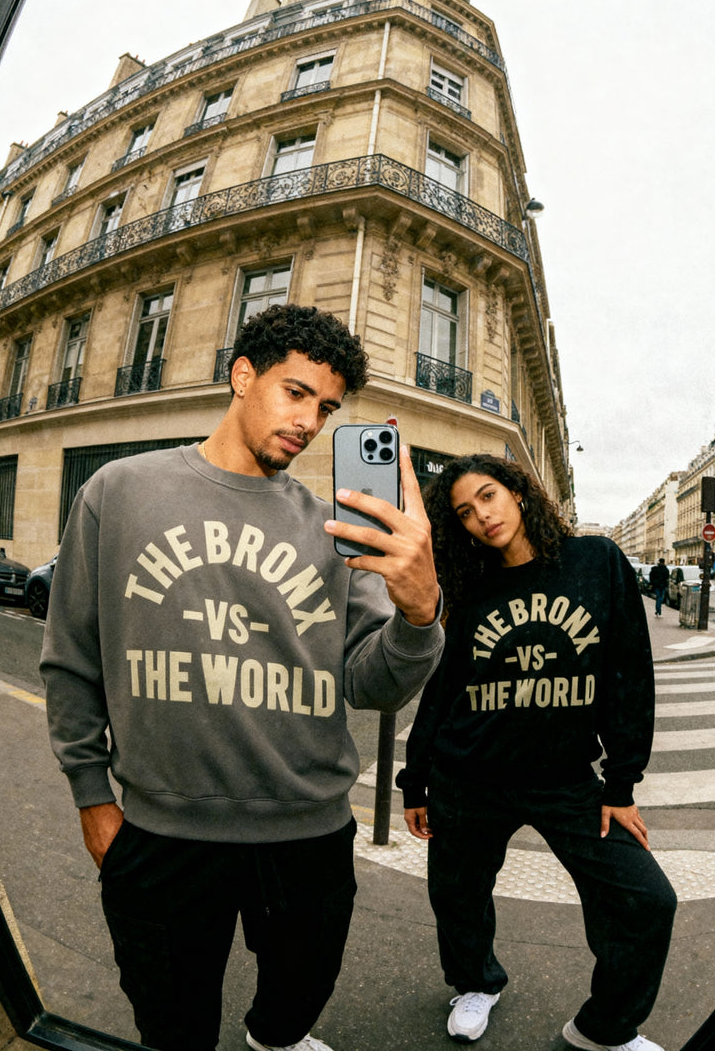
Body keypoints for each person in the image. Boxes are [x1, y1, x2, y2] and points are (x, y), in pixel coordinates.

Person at [42, 304, 444, 1051]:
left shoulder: (337, 531)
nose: (309, 422)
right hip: (161, 836)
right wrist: (92, 796)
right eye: (295, 393)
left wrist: (419, 614)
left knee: (294, 1009)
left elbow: (373, 684)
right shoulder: (119, 492)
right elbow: (72, 657)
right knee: (170, 1025)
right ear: (242, 375)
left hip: (307, 836)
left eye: (326, 409)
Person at [396, 454, 676, 1051]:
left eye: (489, 497)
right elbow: (443, 688)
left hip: (566, 779)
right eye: (465, 513)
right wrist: (414, 779)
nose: (481, 518)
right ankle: (475, 984)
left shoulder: (595, 562)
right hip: (468, 776)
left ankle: (603, 1029)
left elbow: (628, 674)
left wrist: (621, 786)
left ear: (519, 493)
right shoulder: (467, 586)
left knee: (645, 900)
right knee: (457, 894)